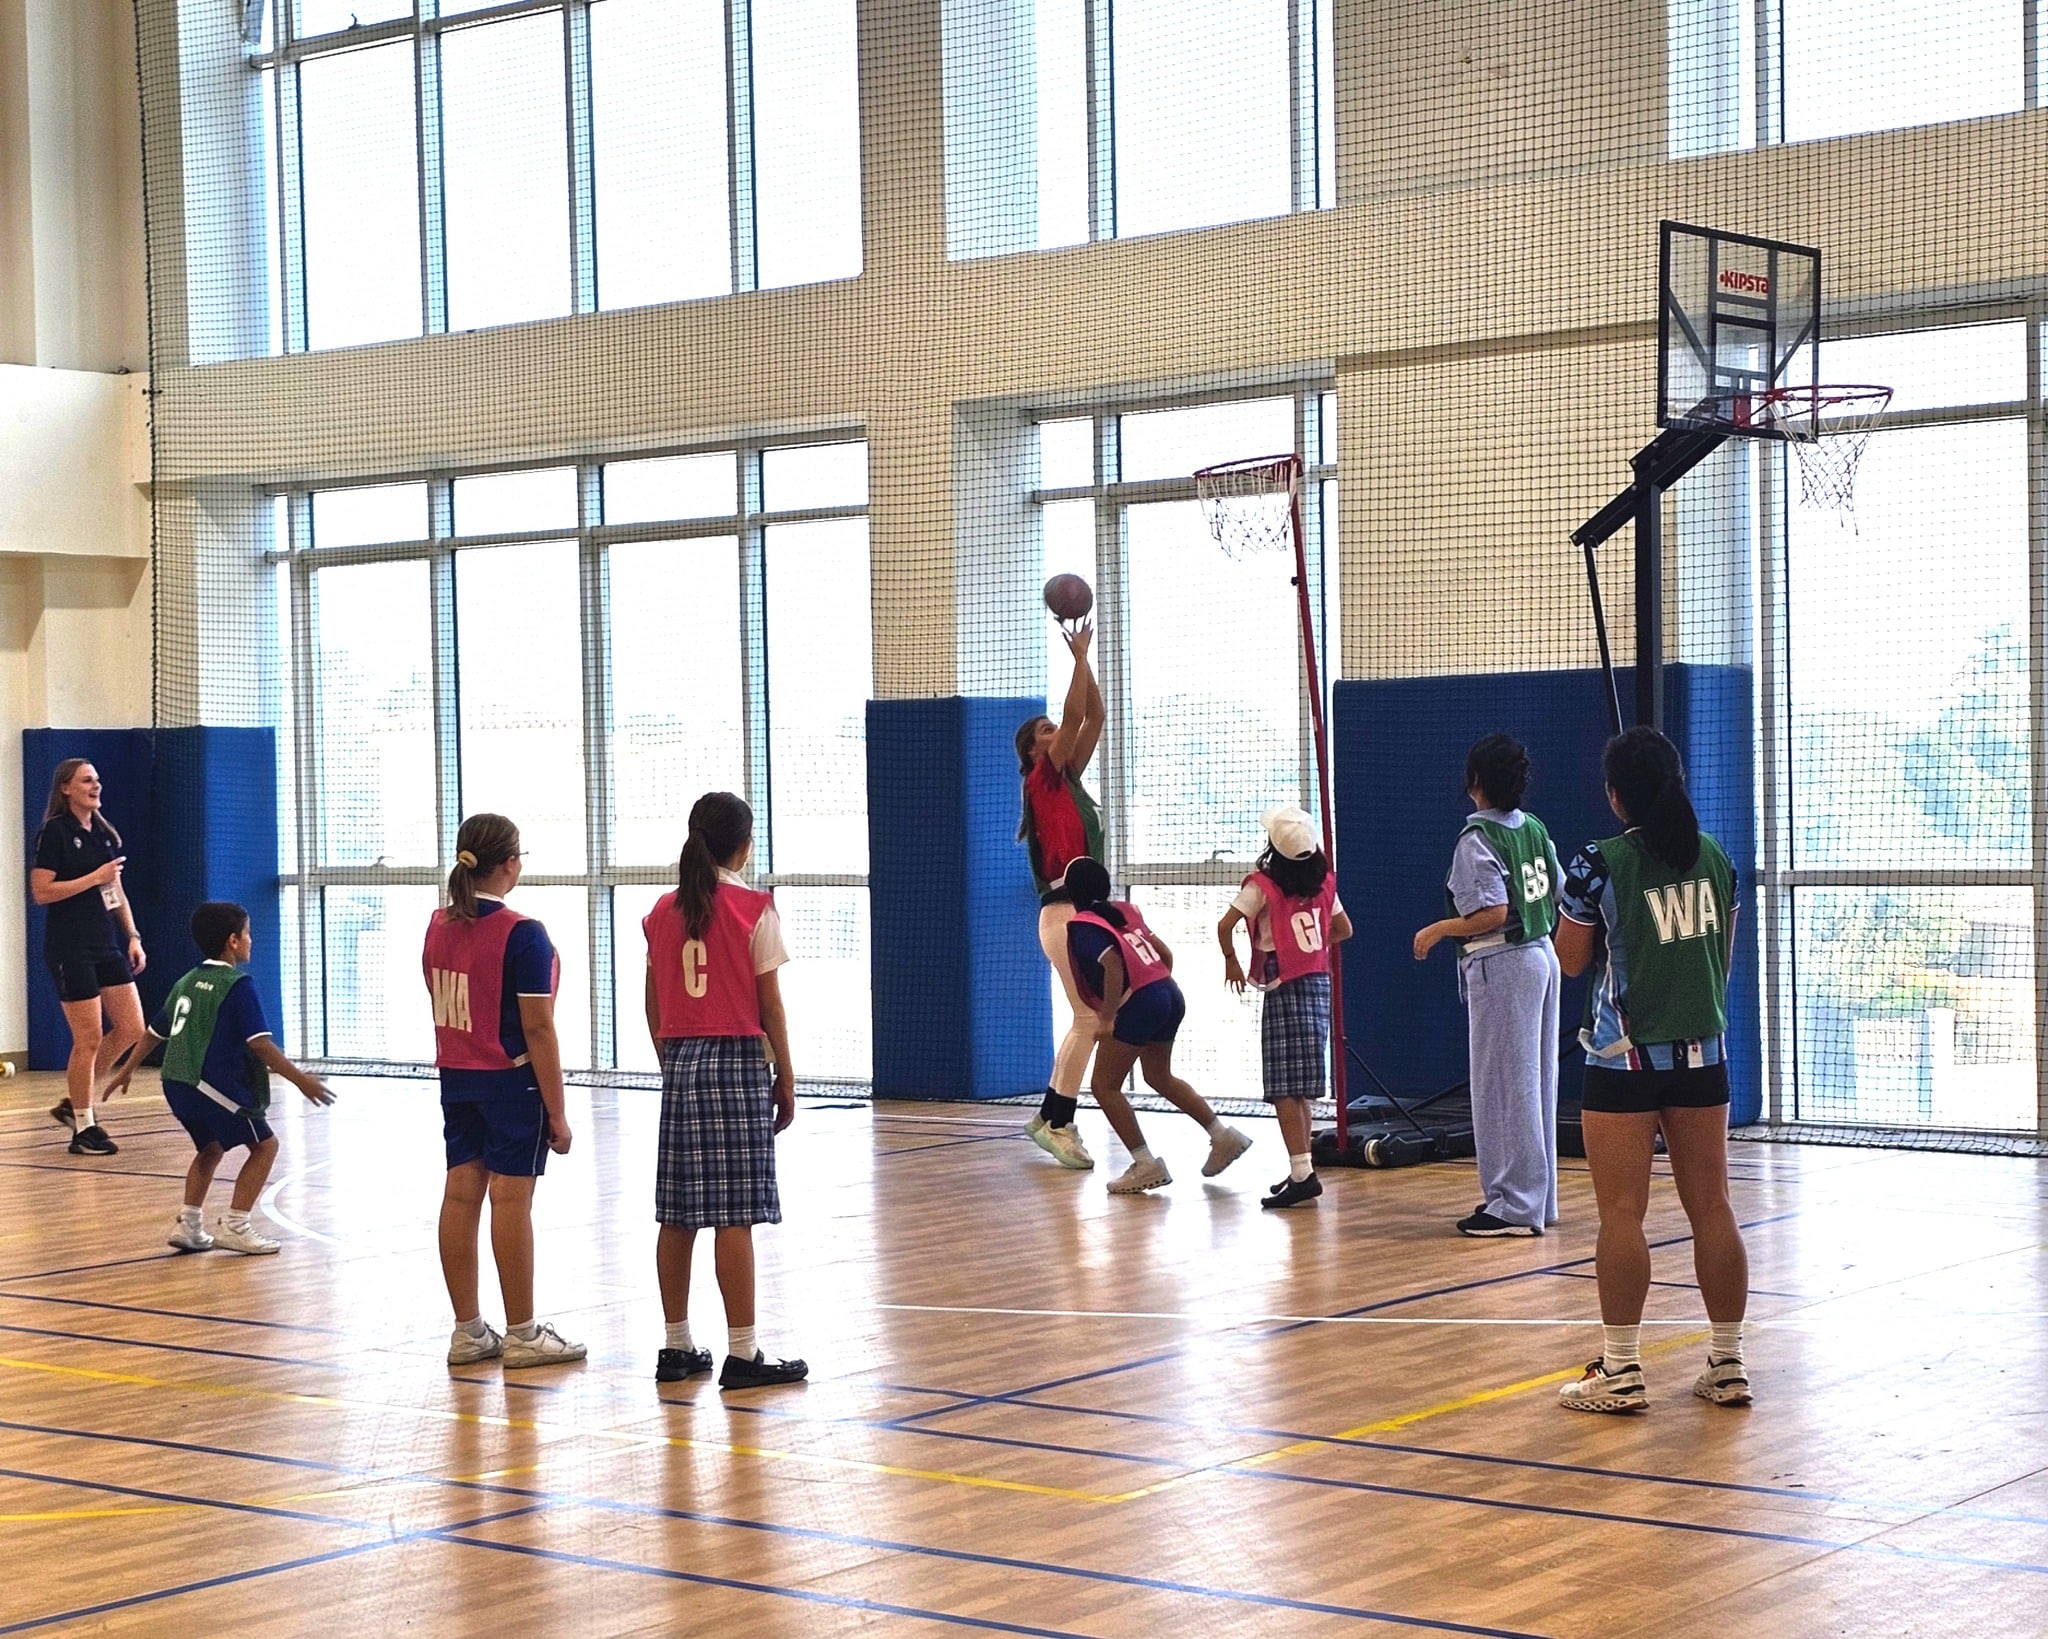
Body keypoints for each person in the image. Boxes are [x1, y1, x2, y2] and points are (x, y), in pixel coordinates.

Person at [1552, 727, 1750, 1414]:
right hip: (1705, 1055)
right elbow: (1720, 960)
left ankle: (1622, 1368)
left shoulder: (1596, 865)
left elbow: (1572, 960)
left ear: (1614, 795)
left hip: (1623, 1059)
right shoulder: (1720, 857)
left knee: (1621, 1213)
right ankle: (1727, 1363)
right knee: (1714, 1206)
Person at [643, 791, 807, 1390]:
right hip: (736, 1060)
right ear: (741, 846)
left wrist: (673, 1058)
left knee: (678, 1212)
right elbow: (771, 1005)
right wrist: (785, 1076)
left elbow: (653, 1001)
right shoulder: (751, 908)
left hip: (681, 1061)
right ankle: (743, 1353)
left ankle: (676, 1345)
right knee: (735, 1213)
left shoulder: (662, 911)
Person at [424, 813, 583, 1371]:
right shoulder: (523, 933)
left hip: (456, 1076)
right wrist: (557, 1113)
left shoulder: (438, 925)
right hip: (510, 1080)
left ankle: (468, 1332)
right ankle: (522, 1332)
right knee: (511, 1201)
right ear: (511, 863)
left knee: (460, 1196)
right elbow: (538, 1027)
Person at [101, 902, 335, 1253]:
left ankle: (190, 1225)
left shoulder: (187, 980)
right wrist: (300, 1079)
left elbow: (153, 1032)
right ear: (233, 942)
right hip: (207, 1083)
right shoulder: (237, 984)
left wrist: (127, 1069)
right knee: (265, 1146)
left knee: (211, 1148)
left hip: (175, 1082)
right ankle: (236, 1225)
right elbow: (261, 1045)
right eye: (248, 934)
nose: (251, 941)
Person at [1412, 734, 1563, 1238]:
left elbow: (1491, 913)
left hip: (1504, 963)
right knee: (1537, 1081)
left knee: (1504, 1085)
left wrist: (1437, 929)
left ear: (1475, 781)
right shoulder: (1535, 829)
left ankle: (1513, 1206)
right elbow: (1557, 890)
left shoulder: (1476, 840)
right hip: (1542, 954)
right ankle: (1539, 1200)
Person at [1062, 857, 1252, 1194]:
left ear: (1071, 893)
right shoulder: (1125, 912)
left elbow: (1112, 964)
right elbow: (1164, 953)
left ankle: (1145, 1163)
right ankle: (1222, 1135)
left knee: (1104, 1086)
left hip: (1144, 1000)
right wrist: (1156, 988)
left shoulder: (1083, 926)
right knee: (1159, 1076)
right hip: (1168, 990)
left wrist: (1107, 1018)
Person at [1218, 806, 1352, 1209]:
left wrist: (1231, 959)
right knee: (1301, 1086)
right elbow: (1344, 929)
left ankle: (1302, 1173)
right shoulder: (1324, 883)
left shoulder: (1262, 886)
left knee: (1282, 1087)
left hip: (1284, 984)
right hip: (1318, 981)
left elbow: (1225, 925)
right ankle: (1302, 1168)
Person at [1013, 620, 1106, 1171]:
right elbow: (1075, 715)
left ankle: (1049, 1115)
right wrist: (1078, 657)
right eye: (1046, 729)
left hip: (1082, 911)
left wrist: (1085, 665)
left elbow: (1093, 715)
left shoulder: (1067, 779)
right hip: (1063, 909)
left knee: (1091, 1017)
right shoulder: (1040, 780)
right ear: (1033, 751)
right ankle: (1059, 1122)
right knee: (1088, 1017)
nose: (1058, 731)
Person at [29, 759, 147, 1156]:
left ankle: (73, 1103)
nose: (95, 785)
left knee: (132, 1028)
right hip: (69, 947)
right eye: (86, 780)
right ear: (66, 788)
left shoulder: (104, 835)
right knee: (89, 1038)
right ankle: (83, 1127)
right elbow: (41, 891)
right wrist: (91, 878)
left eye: (97, 779)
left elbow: (114, 892)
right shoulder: (55, 833)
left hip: (105, 944)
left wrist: (132, 935)